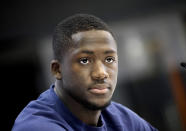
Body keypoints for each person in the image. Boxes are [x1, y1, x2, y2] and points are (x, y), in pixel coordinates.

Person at [12, 14, 158, 131]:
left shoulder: (120, 117)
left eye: (109, 59)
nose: (101, 73)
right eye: (84, 60)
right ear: (57, 69)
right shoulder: (37, 126)